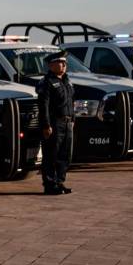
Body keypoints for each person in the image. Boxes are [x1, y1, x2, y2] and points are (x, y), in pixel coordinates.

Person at [37, 51, 75, 195]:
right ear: (51, 65)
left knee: (65, 155)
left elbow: (71, 102)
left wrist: (73, 120)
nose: (64, 65)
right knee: (51, 155)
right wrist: (46, 125)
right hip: (54, 123)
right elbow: (44, 106)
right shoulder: (46, 83)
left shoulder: (67, 81)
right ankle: (50, 184)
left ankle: (59, 182)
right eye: (60, 62)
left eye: (65, 63)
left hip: (67, 123)